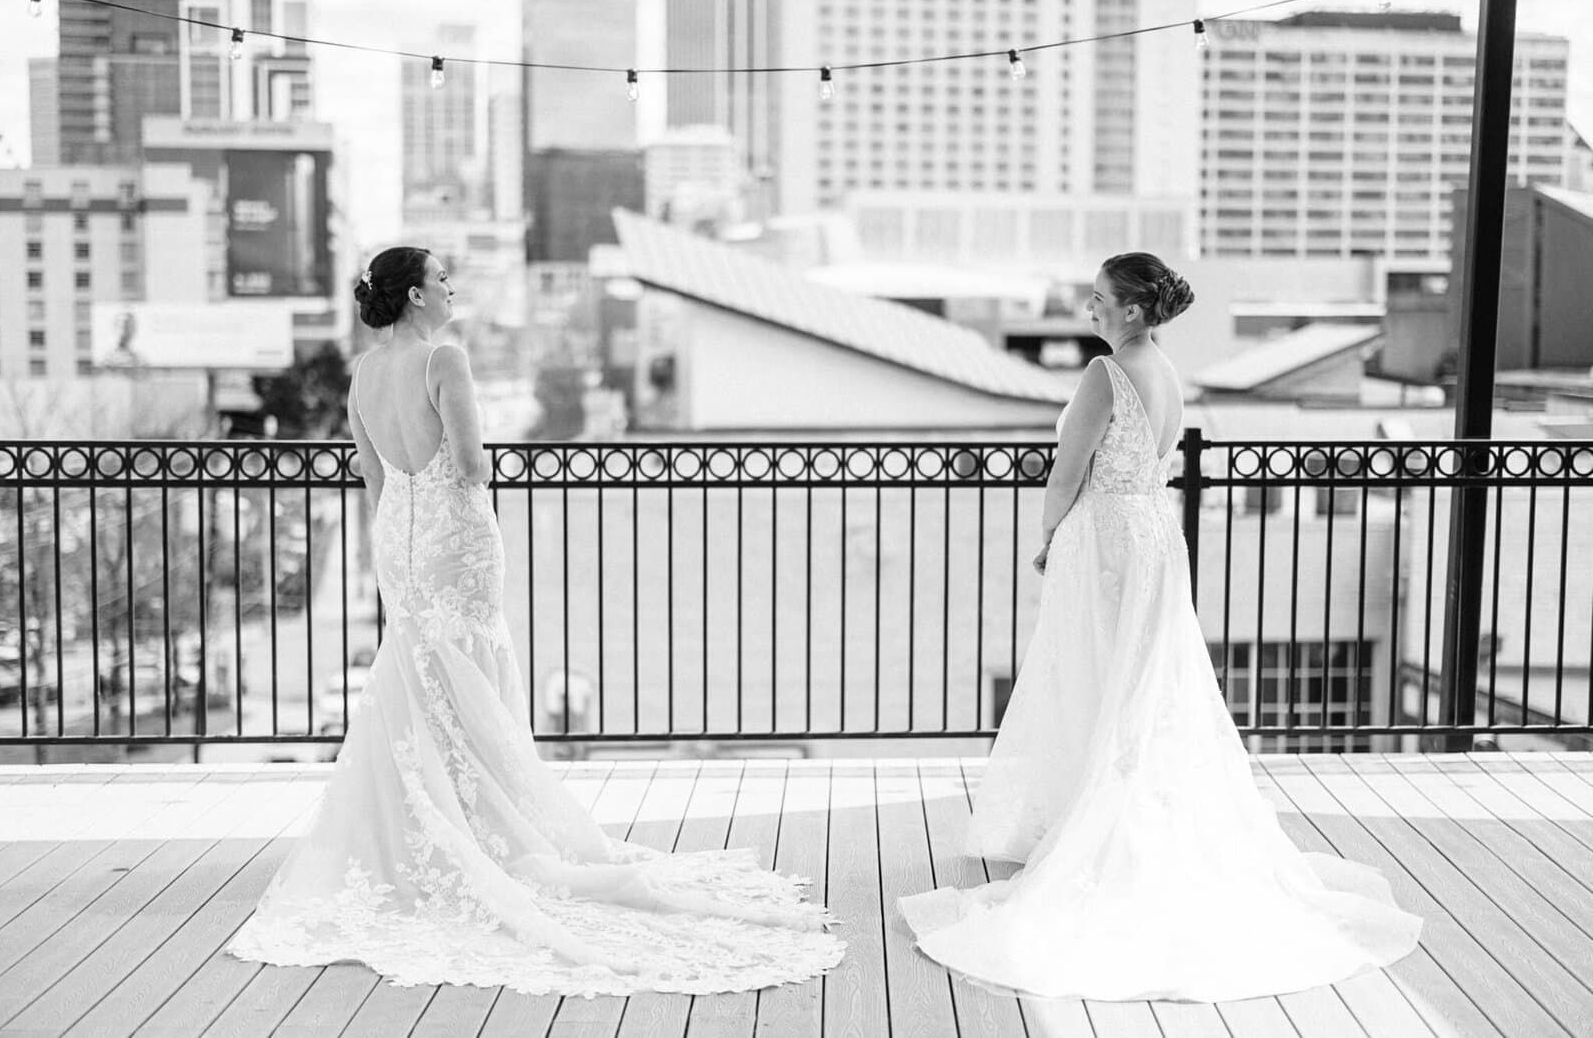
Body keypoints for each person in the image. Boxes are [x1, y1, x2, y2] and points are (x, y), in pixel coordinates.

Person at [228, 247, 843, 995]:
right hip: (456, 535)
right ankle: (488, 825)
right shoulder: (442, 360)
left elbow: (372, 474)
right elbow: (474, 464)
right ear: (417, 295)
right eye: (444, 279)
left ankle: (426, 830)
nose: (453, 289)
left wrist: (391, 545)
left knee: (416, 676)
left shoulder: (362, 373)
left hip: (398, 534)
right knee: (473, 675)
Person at [898, 252, 1420, 1002]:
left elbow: (1066, 468)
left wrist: (1049, 535)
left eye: (1101, 300)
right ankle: (1124, 813)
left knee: (1094, 675)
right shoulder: (1167, 372)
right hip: (1153, 536)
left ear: (1135, 309)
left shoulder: (1104, 375)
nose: (1091, 310)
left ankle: (1100, 829)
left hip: (1106, 537)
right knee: (1144, 684)